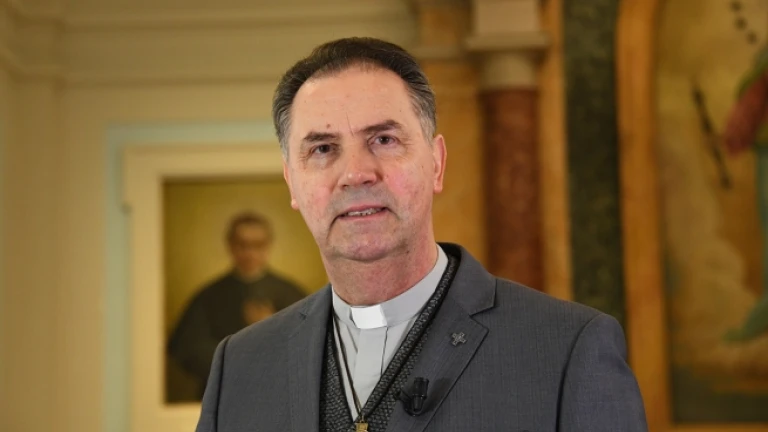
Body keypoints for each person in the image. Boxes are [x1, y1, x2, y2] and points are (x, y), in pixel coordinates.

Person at [195, 38, 648, 431]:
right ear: (292, 182)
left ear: (436, 162)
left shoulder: (568, 350)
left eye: (383, 140)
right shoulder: (240, 367)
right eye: (323, 148)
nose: (356, 173)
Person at [167, 211, 306, 400]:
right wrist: (237, 358)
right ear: (231, 245)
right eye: (242, 244)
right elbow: (187, 347)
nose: (250, 253)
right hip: (223, 395)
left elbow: (309, 349)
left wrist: (272, 331)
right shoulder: (209, 296)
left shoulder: (291, 293)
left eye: (257, 245)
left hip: (277, 396)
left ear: (268, 245)